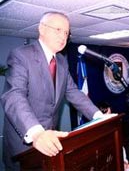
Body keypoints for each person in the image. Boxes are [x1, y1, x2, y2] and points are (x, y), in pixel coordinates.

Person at [0, 12, 104, 170]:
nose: (63, 36)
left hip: (50, 143)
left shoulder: (62, 61)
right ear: (41, 29)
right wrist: (36, 133)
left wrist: (99, 117)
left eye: (66, 33)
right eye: (58, 29)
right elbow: (14, 95)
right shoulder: (21, 55)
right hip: (24, 146)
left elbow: (74, 92)